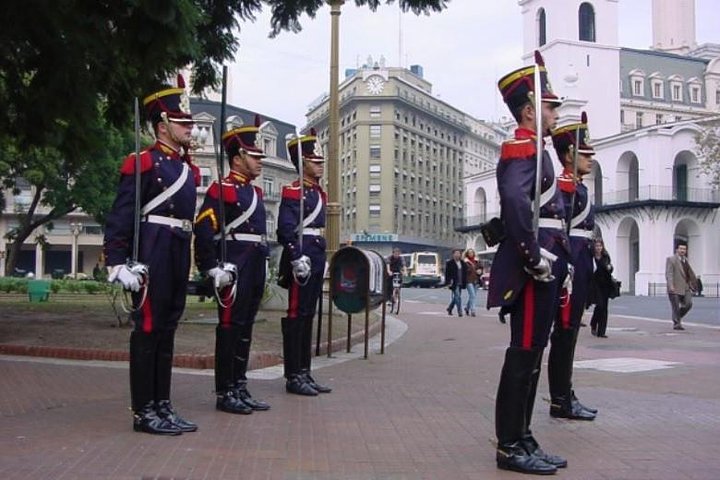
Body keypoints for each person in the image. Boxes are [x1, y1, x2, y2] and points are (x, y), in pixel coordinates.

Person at [487, 51, 570, 475]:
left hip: (548, 263)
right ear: (530, 110)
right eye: (551, 106)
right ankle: (508, 445)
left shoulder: (537, 150)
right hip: (533, 267)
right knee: (523, 353)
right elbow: (518, 206)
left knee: (534, 353)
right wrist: (534, 257)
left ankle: (523, 436)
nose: (557, 112)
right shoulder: (522, 148)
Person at [103, 75, 199, 435]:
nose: (189, 128)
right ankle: (144, 411)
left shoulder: (187, 168)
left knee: (167, 330)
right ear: (162, 126)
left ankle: (163, 404)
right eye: (182, 122)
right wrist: (117, 262)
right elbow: (122, 213)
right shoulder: (143, 163)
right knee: (147, 330)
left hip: (177, 251)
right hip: (153, 250)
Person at [194, 115, 271, 415]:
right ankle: (225, 391)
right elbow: (204, 228)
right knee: (229, 328)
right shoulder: (221, 189)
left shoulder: (255, 191)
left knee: (245, 328)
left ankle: (239, 385)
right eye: (254, 155)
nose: (259, 161)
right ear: (238, 157)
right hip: (233, 267)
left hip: (253, 266)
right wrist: (212, 267)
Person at [546, 112, 597, 422]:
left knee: (570, 334)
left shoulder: (578, 186)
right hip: (570, 267)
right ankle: (561, 398)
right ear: (569, 154)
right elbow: (560, 230)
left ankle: (565, 394)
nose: (590, 159)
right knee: (564, 334)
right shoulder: (565, 186)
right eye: (585, 154)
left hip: (581, 263)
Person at [277, 129, 332, 396]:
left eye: (321, 161)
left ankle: (305, 371)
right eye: (315, 162)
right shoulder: (292, 192)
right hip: (302, 255)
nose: (320, 165)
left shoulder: (318, 193)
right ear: (302, 164)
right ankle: (293, 375)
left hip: (316, 251)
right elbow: (286, 229)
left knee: (309, 314)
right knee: (297, 315)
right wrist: (296, 256)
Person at [665, 240, 697, 330]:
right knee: (675, 306)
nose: (683, 250)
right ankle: (677, 323)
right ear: (676, 249)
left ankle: (676, 317)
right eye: (681, 248)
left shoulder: (685, 260)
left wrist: (694, 284)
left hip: (685, 287)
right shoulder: (671, 259)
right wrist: (670, 285)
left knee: (688, 304)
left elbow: (689, 274)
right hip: (674, 287)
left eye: (684, 249)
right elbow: (669, 273)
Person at [588, 239, 614, 338]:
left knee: (604, 308)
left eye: (600, 246)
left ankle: (601, 331)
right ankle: (594, 323)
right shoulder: (592, 258)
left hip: (605, 284)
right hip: (595, 284)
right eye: (597, 246)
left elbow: (610, 268)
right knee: (600, 305)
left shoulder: (605, 257)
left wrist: (610, 268)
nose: (598, 248)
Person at [443, 249, 467, 316]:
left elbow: (465, 273)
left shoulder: (463, 263)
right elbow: (447, 274)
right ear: (453, 254)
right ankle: (460, 311)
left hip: (461, 281)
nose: (457, 255)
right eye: (456, 253)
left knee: (456, 297)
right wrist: (447, 282)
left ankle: (450, 308)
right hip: (454, 282)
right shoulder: (449, 263)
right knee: (458, 296)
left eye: (458, 253)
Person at [463, 249, 481, 316]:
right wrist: (470, 269)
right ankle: (473, 310)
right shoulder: (465, 262)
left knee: (472, 296)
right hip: (468, 280)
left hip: (476, 280)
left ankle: (467, 308)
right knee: (472, 295)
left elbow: (481, 268)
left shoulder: (477, 261)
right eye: (469, 253)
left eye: (472, 253)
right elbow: (464, 271)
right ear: (467, 254)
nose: (471, 254)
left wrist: (480, 271)